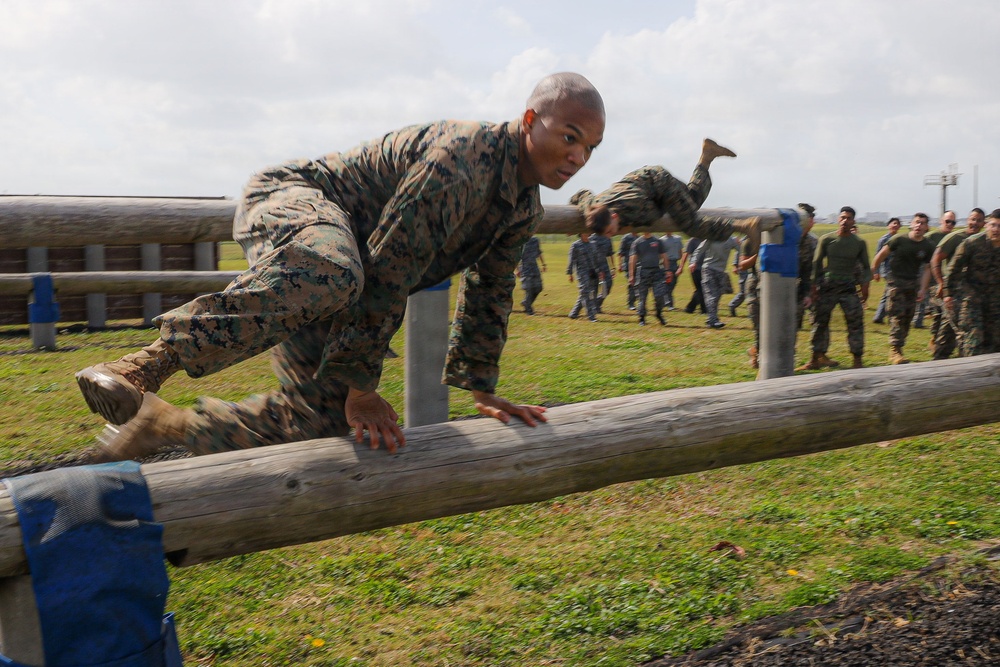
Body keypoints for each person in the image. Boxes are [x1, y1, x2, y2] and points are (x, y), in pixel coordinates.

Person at [76, 72, 607, 461]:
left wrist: (481, 385)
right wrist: (363, 385)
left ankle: (162, 426)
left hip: (340, 274)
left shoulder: (522, 204)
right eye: (569, 137)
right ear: (532, 121)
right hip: (296, 202)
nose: (577, 158)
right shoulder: (464, 161)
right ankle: (139, 367)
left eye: (589, 149)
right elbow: (390, 266)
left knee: (320, 423)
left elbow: (490, 290)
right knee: (337, 270)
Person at [743, 202, 816, 369]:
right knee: (762, 325)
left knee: (791, 327)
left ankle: (784, 359)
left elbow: (807, 271)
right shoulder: (778, 233)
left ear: (811, 222)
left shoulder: (811, 243)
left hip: (794, 288)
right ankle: (761, 357)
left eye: (807, 220)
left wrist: (806, 294)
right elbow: (754, 265)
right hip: (762, 286)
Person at [797, 206, 871, 371]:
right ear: (839, 219)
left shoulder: (858, 243)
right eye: (843, 217)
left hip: (848, 288)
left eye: (849, 218)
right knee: (819, 323)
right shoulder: (827, 239)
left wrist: (865, 287)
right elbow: (816, 264)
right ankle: (815, 358)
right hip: (828, 287)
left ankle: (857, 360)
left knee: (855, 323)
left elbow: (866, 267)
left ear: (853, 221)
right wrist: (814, 286)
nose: (845, 221)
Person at [871, 213, 934, 364]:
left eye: (923, 223)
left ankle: (899, 347)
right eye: (917, 222)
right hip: (896, 282)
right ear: (911, 224)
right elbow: (880, 255)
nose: (919, 225)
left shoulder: (927, 246)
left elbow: (927, 269)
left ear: (926, 227)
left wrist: (923, 289)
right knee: (897, 316)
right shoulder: (899, 240)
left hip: (913, 284)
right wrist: (875, 271)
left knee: (908, 317)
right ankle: (895, 350)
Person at [942, 209, 1000, 357]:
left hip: (995, 299)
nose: (996, 230)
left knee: (994, 339)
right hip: (972, 297)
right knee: (973, 337)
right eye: (993, 225)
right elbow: (953, 269)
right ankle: (967, 370)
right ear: (986, 225)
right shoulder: (972, 243)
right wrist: (948, 294)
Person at [930, 208, 986, 359]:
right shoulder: (956, 237)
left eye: (979, 220)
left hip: (973, 294)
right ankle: (938, 362)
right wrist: (942, 284)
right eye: (972, 219)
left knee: (967, 333)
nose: (975, 223)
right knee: (948, 331)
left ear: (984, 223)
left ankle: (963, 364)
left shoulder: (984, 241)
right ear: (968, 220)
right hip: (954, 292)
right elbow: (935, 259)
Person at [913, 210, 957, 329]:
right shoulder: (932, 236)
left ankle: (926, 320)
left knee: (935, 299)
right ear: (941, 221)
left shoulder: (952, 237)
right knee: (921, 295)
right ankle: (917, 320)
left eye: (953, 222)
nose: (950, 224)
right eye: (947, 221)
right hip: (924, 269)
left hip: (937, 272)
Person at [699, 235, 740, 329]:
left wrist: (740, 260)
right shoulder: (711, 238)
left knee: (717, 294)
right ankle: (713, 320)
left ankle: (711, 319)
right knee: (711, 295)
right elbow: (700, 249)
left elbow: (740, 250)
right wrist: (693, 262)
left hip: (721, 271)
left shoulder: (732, 240)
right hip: (708, 269)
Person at [629, 230, 668, 326]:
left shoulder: (658, 241)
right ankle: (641, 318)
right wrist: (631, 275)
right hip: (643, 272)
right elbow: (632, 259)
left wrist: (668, 271)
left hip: (656, 272)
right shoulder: (637, 242)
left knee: (660, 296)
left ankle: (658, 313)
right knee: (642, 298)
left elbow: (664, 257)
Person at [567, 231, 603, 321]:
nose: (586, 235)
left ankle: (574, 313)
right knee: (586, 293)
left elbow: (597, 259)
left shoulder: (593, 244)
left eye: (587, 234)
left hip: (593, 272)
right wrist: (570, 273)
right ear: (580, 234)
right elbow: (571, 260)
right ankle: (591, 316)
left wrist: (600, 271)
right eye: (584, 233)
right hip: (582, 272)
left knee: (586, 293)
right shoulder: (575, 245)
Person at [871, 217, 902, 324]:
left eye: (897, 224)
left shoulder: (899, 239)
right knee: (891, 293)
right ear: (888, 225)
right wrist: (876, 272)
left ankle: (879, 316)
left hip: (896, 270)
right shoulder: (884, 239)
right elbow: (877, 256)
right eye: (893, 223)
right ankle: (887, 316)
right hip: (887, 270)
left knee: (888, 293)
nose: (895, 225)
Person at [515, 235, 546, 315]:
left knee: (539, 288)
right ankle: (529, 309)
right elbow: (515, 256)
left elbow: (539, 253)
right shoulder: (520, 240)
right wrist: (517, 270)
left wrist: (543, 264)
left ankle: (526, 302)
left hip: (535, 267)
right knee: (529, 289)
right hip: (525, 268)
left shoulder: (535, 240)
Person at [590, 229, 615, 313]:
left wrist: (613, 267)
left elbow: (610, 254)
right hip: (592, 266)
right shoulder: (591, 239)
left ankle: (597, 304)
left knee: (608, 285)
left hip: (604, 265)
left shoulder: (607, 239)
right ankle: (593, 307)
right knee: (593, 288)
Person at [658, 231, 684, 310]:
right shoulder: (661, 240)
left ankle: (666, 301)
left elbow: (680, 252)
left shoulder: (678, 238)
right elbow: (660, 254)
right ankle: (669, 303)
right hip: (666, 263)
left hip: (674, 263)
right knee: (667, 283)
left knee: (673, 283)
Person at [682, 236, 707, 314]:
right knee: (701, 289)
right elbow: (686, 254)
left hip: (705, 268)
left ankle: (690, 308)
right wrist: (681, 267)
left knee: (702, 289)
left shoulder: (708, 239)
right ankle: (703, 309)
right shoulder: (693, 240)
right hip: (695, 268)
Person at [728, 235, 748, 317]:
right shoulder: (744, 241)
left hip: (752, 269)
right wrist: (735, 265)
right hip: (744, 270)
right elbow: (738, 252)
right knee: (744, 292)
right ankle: (732, 305)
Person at [618, 231, 637, 310]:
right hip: (628, 264)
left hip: (638, 264)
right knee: (632, 284)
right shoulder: (626, 238)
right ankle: (631, 303)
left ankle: (637, 301)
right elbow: (620, 253)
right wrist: (620, 265)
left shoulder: (639, 238)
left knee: (639, 284)